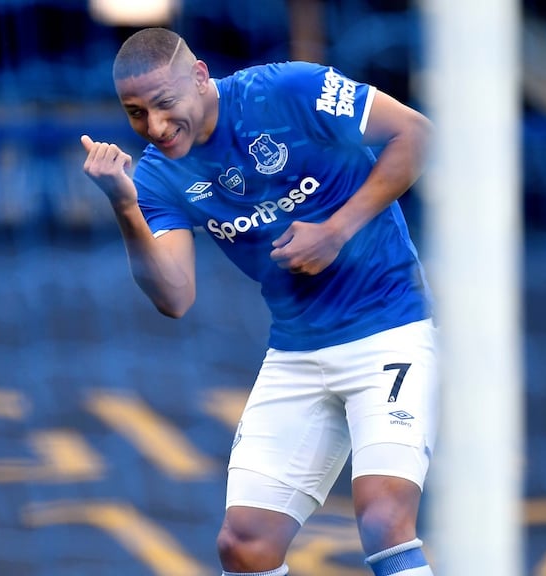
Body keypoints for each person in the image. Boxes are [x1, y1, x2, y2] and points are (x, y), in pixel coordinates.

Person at [81, 27, 437, 576]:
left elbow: (415, 134)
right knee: (244, 545)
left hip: (387, 328)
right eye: (135, 113)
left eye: (164, 104)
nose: (154, 126)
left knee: (383, 518)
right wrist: (125, 206)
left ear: (199, 77)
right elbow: (175, 296)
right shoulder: (156, 175)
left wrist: (337, 229)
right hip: (296, 350)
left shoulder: (289, 90)